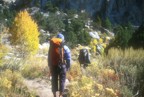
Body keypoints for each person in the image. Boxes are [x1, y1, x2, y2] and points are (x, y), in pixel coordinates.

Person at [48, 33, 71, 97]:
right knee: (62, 80)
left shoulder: (52, 47)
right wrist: (68, 67)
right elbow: (68, 58)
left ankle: (54, 95)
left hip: (53, 65)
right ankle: (60, 95)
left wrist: (50, 66)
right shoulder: (65, 48)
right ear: (63, 40)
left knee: (54, 80)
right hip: (62, 66)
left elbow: (49, 57)